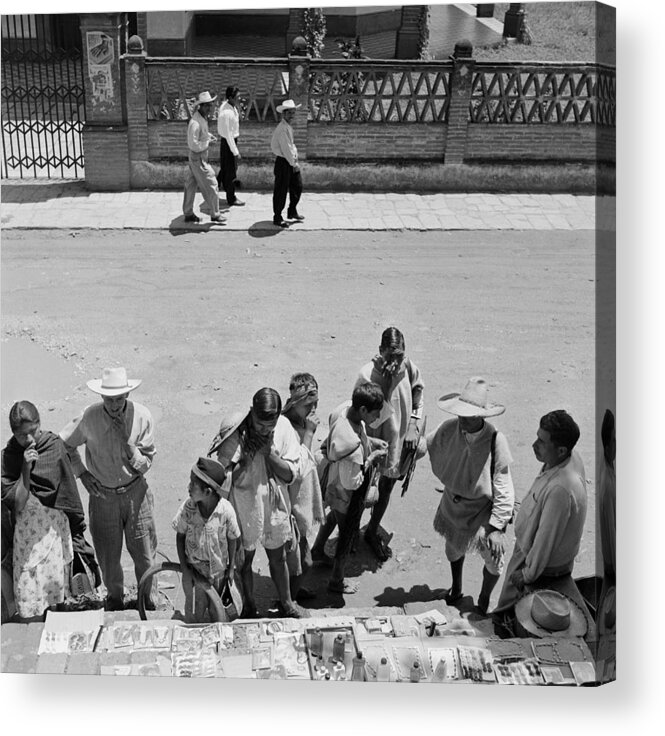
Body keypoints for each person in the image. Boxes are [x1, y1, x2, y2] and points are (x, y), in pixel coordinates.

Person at [60, 366, 157, 611]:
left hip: (136, 492)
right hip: (103, 496)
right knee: (108, 557)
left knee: (144, 554)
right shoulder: (89, 417)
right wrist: (81, 473)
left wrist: (127, 441)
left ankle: (148, 602)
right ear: (101, 397)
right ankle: (115, 601)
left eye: (119, 400)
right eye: (109, 400)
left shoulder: (142, 416)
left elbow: (145, 464)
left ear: (127, 396)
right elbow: (65, 445)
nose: (114, 406)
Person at [208, 388, 308, 618]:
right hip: (244, 505)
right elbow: (224, 478)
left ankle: (287, 603)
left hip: (274, 503)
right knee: (244, 560)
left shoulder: (283, 428)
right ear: (251, 412)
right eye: (259, 425)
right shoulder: (236, 432)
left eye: (268, 427)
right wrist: (248, 456)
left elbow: (291, 474)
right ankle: (249, 605)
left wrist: (269, 453)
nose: (263, 430)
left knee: (278, 556)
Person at [426, 377, 515, 614]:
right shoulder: (448, 428)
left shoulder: (496, 440)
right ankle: (456, 589)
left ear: (482, 416)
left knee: (494, 562)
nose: (463, 420)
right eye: (461, 414)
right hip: (452, 506)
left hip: (482, 512)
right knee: (453, 549)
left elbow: (504, 488)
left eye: (469, 416)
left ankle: (484, 600)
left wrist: (496, 527)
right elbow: (430, 444)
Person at [1, 401, 89, 619]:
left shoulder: (53, 446)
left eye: (33, 432)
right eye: (23, 436)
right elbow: (17, 503)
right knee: (29, 591)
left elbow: (66, 492)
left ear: (39, 423)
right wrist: (25, 469)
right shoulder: (9, 457)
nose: (30, 439)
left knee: (57, 589)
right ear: (14, 434)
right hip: (26, 540)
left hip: (53, 534)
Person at [495, 409, 587, 613]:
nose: (534, 445)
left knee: (509, 612)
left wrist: (527, 575)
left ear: (561, 450)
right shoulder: (565, 459)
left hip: (538, 565)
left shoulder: (560, 490)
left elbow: (545, 538)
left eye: (542, 442)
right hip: (531, 553)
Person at [354, 327, 425, 562]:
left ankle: (372, 530)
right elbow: (358, 412)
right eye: (390, 355)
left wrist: (414, 424)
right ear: (380, 351)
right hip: (373, 442)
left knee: (386, 488)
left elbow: (418, 390)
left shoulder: (408, 368)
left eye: (400, 355)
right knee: (361, 489)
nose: (395, 361)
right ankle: (351, 530)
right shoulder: (367, 375)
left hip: (401, 440)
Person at [311, 383, 388, 594]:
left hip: (332, 475)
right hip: (344, 488)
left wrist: (370, 441)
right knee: (347, 533)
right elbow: (352, 483)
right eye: (375, 413)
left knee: (334, 517)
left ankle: (317, 549)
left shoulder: (343, 409)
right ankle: (337, 581)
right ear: (363, 410)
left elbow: (350, 435)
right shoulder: (352, 449)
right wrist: (371, 457)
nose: (377, 418)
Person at [173, 457, 240, 623]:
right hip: (194, 571)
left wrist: (231, 568)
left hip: (218, 572)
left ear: (208, 492)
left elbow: (233, 539)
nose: (188, 488)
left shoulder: (225, 511)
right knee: (196, 608)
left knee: (217, 610)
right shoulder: (187, 509)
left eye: (193, 485)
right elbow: (180, 536)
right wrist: (184, 568)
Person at [281, 373, 325, 602]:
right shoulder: (286, 427)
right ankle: (288, 600)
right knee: (304, 562)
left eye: (316, 402)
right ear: (296, 402)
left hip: (301, 500)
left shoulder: (299, 420)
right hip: (289, 504)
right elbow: (297, 466)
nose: (314, 408)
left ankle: (292, 592)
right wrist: (309, 433)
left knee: (296, 560)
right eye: (309, 404)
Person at [182, 91, 225, 225]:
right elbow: (193, 144)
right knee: (212, 183)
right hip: (198, 158)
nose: (209, 108)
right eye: (206, 106)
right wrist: (207, 143)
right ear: (200, 106)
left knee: (191, 184)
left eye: (210, 105)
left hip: (197, 157)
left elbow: (201, 135)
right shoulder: (195, 122)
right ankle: (215, 214)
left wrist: (208, 136)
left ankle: (188, 213)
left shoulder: (201, 118)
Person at [270, 99, 304, 228]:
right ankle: (277, 217)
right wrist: (294, 163)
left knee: (297, 186)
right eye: (289, 113)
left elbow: (292, 146)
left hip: (289, 161)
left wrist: (295, 159)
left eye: (293, 113)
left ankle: (292, 211)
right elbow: (287, 149)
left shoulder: (287, 127)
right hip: (284, 162)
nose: (292, 115)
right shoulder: (283, 129)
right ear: (283, 114)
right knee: (281, 190)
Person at [216, 85, 244, 207]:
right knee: (231, 173)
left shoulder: (230, 107)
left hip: (228, 141)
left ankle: (214, 188)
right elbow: (228, 134)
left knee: (225, 169)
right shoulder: (227, 112)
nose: (240, 99)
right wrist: (235, 152)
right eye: (238, 97)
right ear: (231, 98)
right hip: (228, 142)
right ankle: (231, 198)